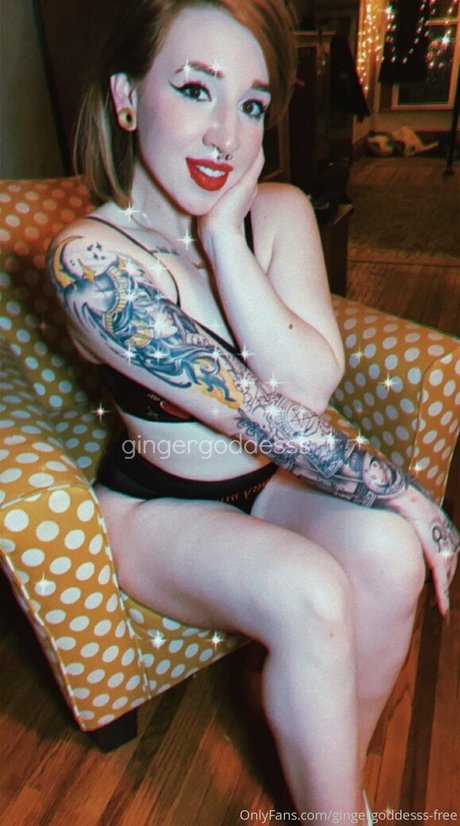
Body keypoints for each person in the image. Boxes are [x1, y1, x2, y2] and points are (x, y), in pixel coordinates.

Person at [47, 0, 458, 817]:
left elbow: (309, 387)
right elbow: (260, 413)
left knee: (388, 556)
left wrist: (224, 239)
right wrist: (408, 491)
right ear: (127, 98)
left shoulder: (279, 211)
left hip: (270, 482)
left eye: (251, 104)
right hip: (158, 503)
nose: (225, 137)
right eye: (196, 89)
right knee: (311, 592)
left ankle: (334, 795)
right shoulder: (91, 262)